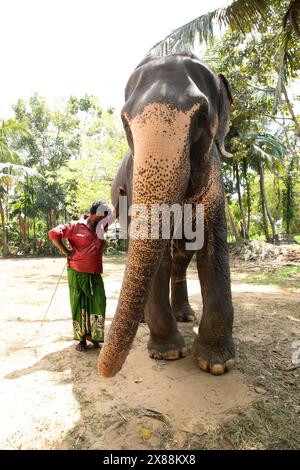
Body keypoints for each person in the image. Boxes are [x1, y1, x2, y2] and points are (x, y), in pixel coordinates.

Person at [48, 188, 125, 351]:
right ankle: (81, 340)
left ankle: (95, 337)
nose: (106, 220)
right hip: (77, 272)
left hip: (95, 272)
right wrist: (66, 252)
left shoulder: (100, 227)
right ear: (97, 214)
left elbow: (116, 213)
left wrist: (122, 196)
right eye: (104, 217)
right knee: (79, 305)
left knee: (98, 301)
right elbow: (54, 234)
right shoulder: (75, 226)